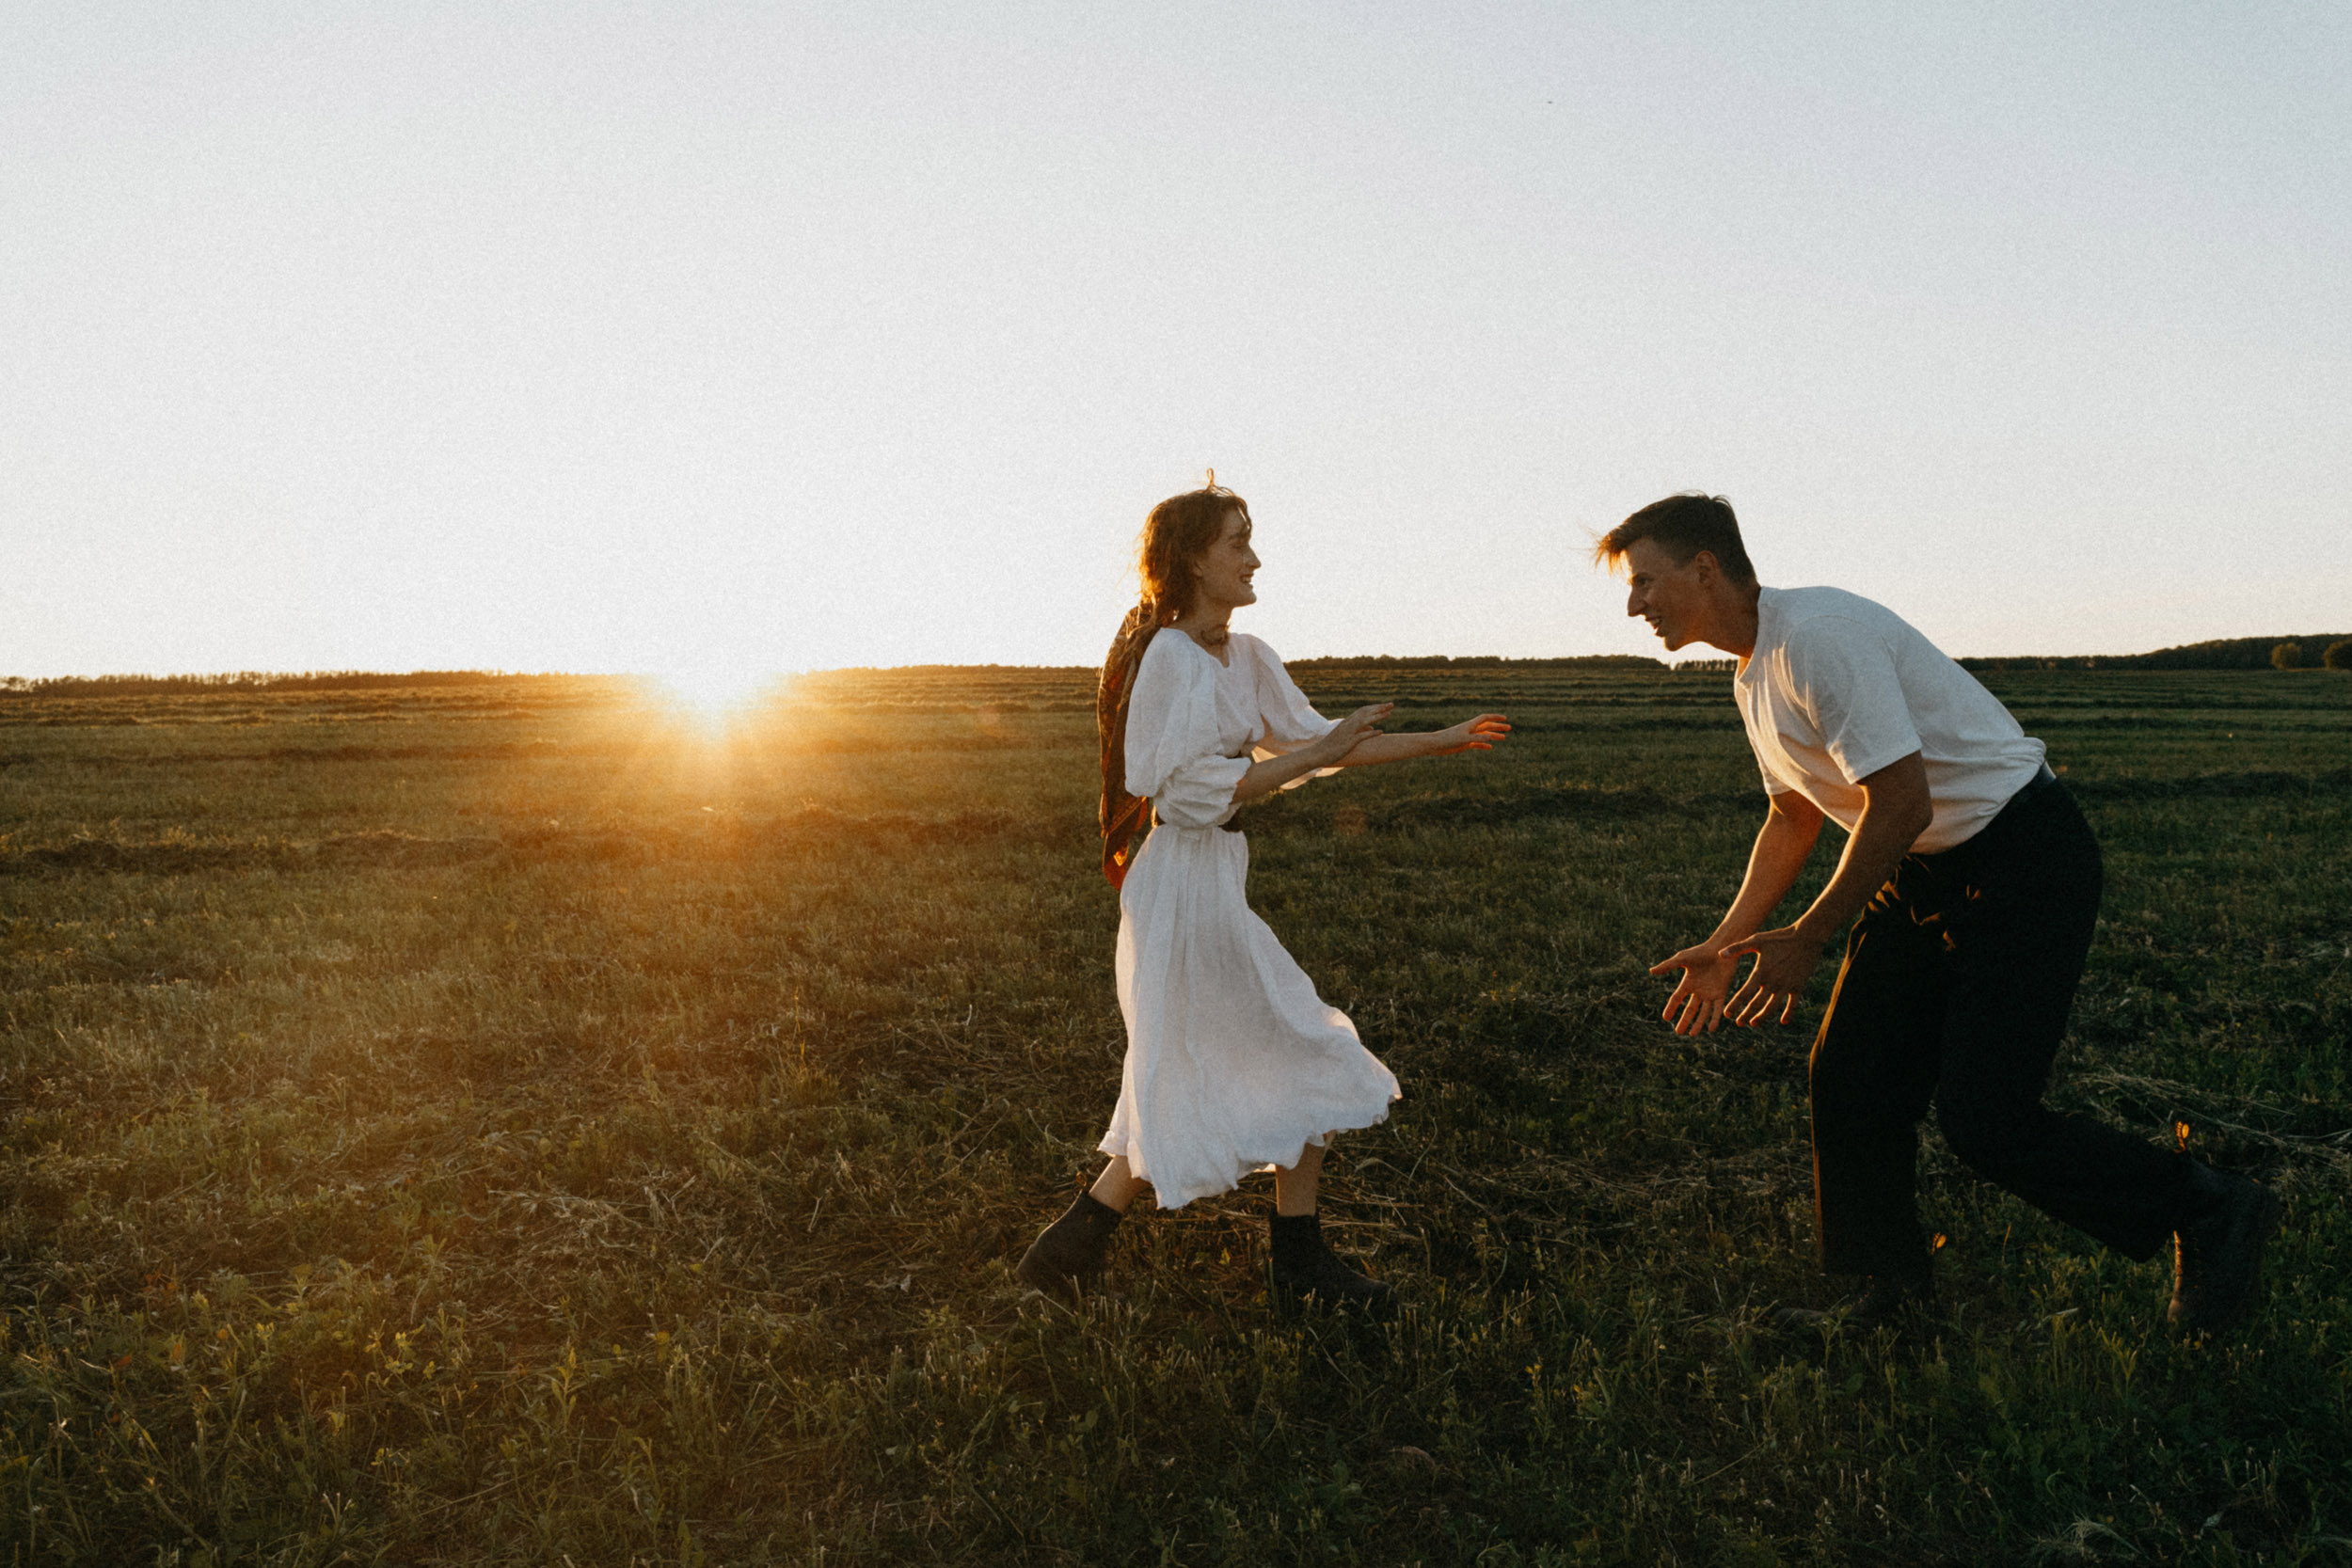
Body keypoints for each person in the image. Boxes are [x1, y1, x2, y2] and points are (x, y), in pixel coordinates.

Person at [1603, 493, 2280, 1336]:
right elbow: (1792, 816)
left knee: (1986, 1119)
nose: (1634, 604)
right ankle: (1893, 1300)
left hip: (2023, 857)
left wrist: (1810, 935)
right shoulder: (1753, 674)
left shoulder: (1817, 637)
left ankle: (2210, 1206)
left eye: (1645, 580)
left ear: (1705, 568)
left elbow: (1901, 802)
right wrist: (1724, 941)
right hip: (1921, 870)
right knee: (1851, 1074)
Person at [1015, 482, 1511, 1310]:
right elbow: (1182, 794)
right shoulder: (1167, 657)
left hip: (1216, 876)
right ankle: (1293, 1265)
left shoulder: (1248, 656)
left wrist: (1440, 741)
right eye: (1236, 542)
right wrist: (1310, 754)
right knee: (1280, 1049)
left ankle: (1078, 1253)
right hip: (1178, 884)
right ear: (1191, 559)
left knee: (1209, 1062)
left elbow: (1322, 743)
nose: (1254, 558)